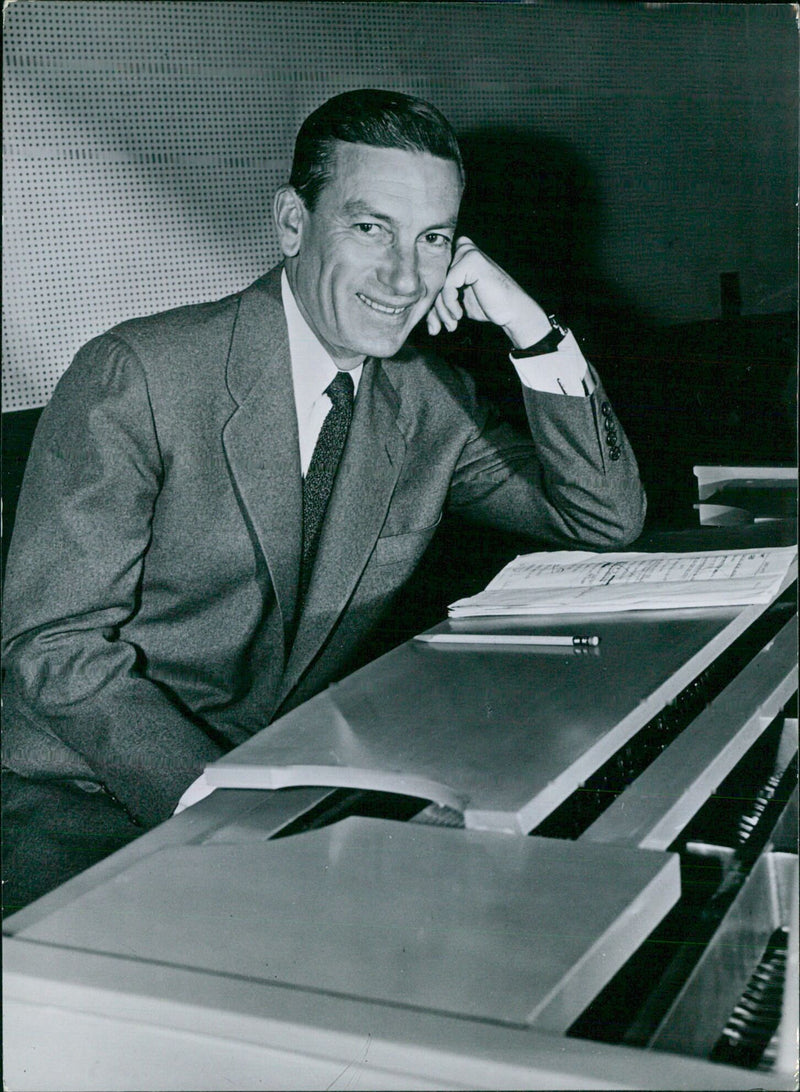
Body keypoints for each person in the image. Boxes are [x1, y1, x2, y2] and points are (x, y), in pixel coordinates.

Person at [1, 89, 645, 913]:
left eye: (434, 239)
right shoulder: (142, 375)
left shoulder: (427, 401)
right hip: (84, 801)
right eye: (370, 228)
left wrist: (533, 331)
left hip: (288, 784)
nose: (406, 276)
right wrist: (228, 805)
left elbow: (603, 519)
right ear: (293, 224)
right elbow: (56, 646)